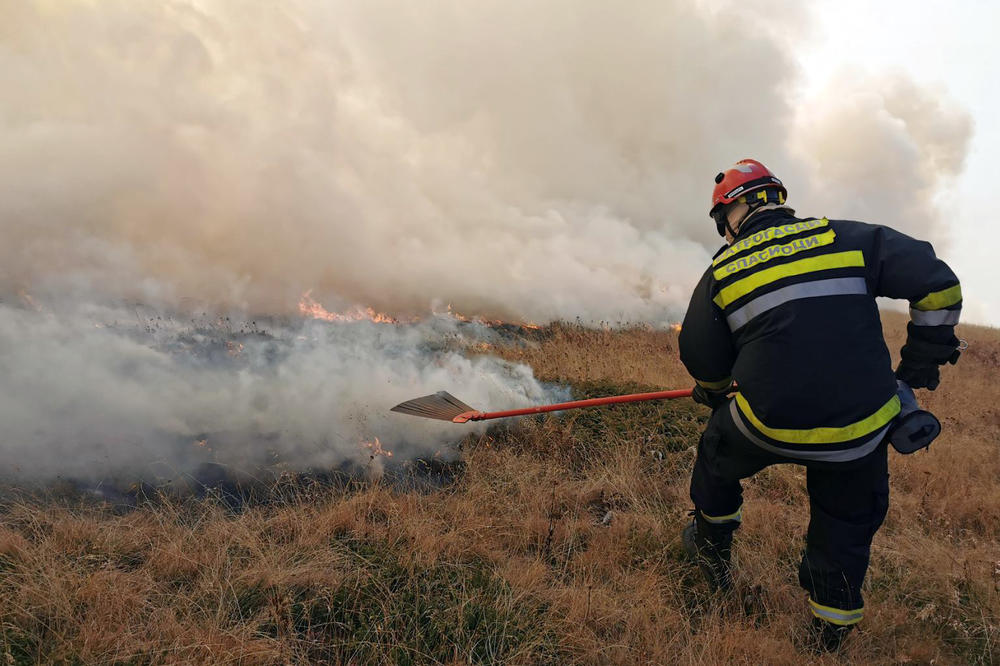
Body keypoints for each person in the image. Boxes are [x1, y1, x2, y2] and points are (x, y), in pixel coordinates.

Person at [677, 159, 962, 652]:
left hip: (767, 423)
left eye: (722, 220)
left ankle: (710, 550)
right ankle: (830, 629)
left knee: (719, 450)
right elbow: (939, 285)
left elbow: (700, 354)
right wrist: (917, 367)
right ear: (778, 201)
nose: (724, 231)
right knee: (846, 520)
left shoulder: (722, 271)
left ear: (736, 211)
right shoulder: (850, 238)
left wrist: (715, 388)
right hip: (860, 429)